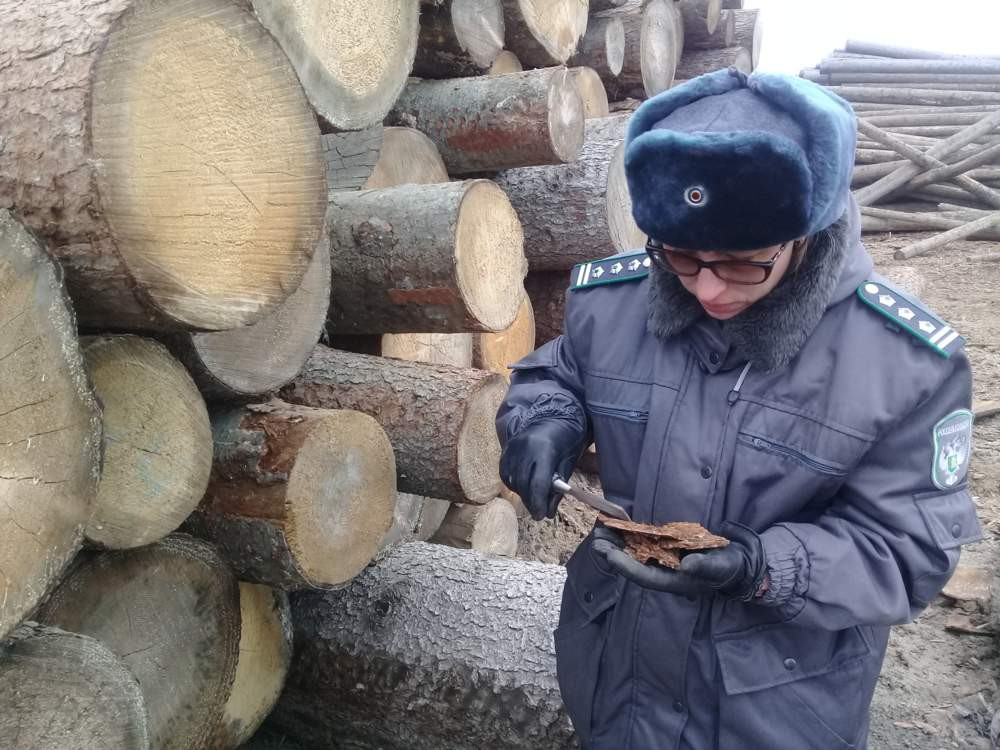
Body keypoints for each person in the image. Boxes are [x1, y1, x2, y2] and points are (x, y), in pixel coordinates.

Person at [496, 68, 982, 749]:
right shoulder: (614, 304)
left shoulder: (903, 363)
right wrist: (546, 420)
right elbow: (561, 373)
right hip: (615, 672)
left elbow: (907, 548)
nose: (709, 291)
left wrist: (762, 568)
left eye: (743, 263)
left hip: (776, 707)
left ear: (806, 235)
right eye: (683, 259)